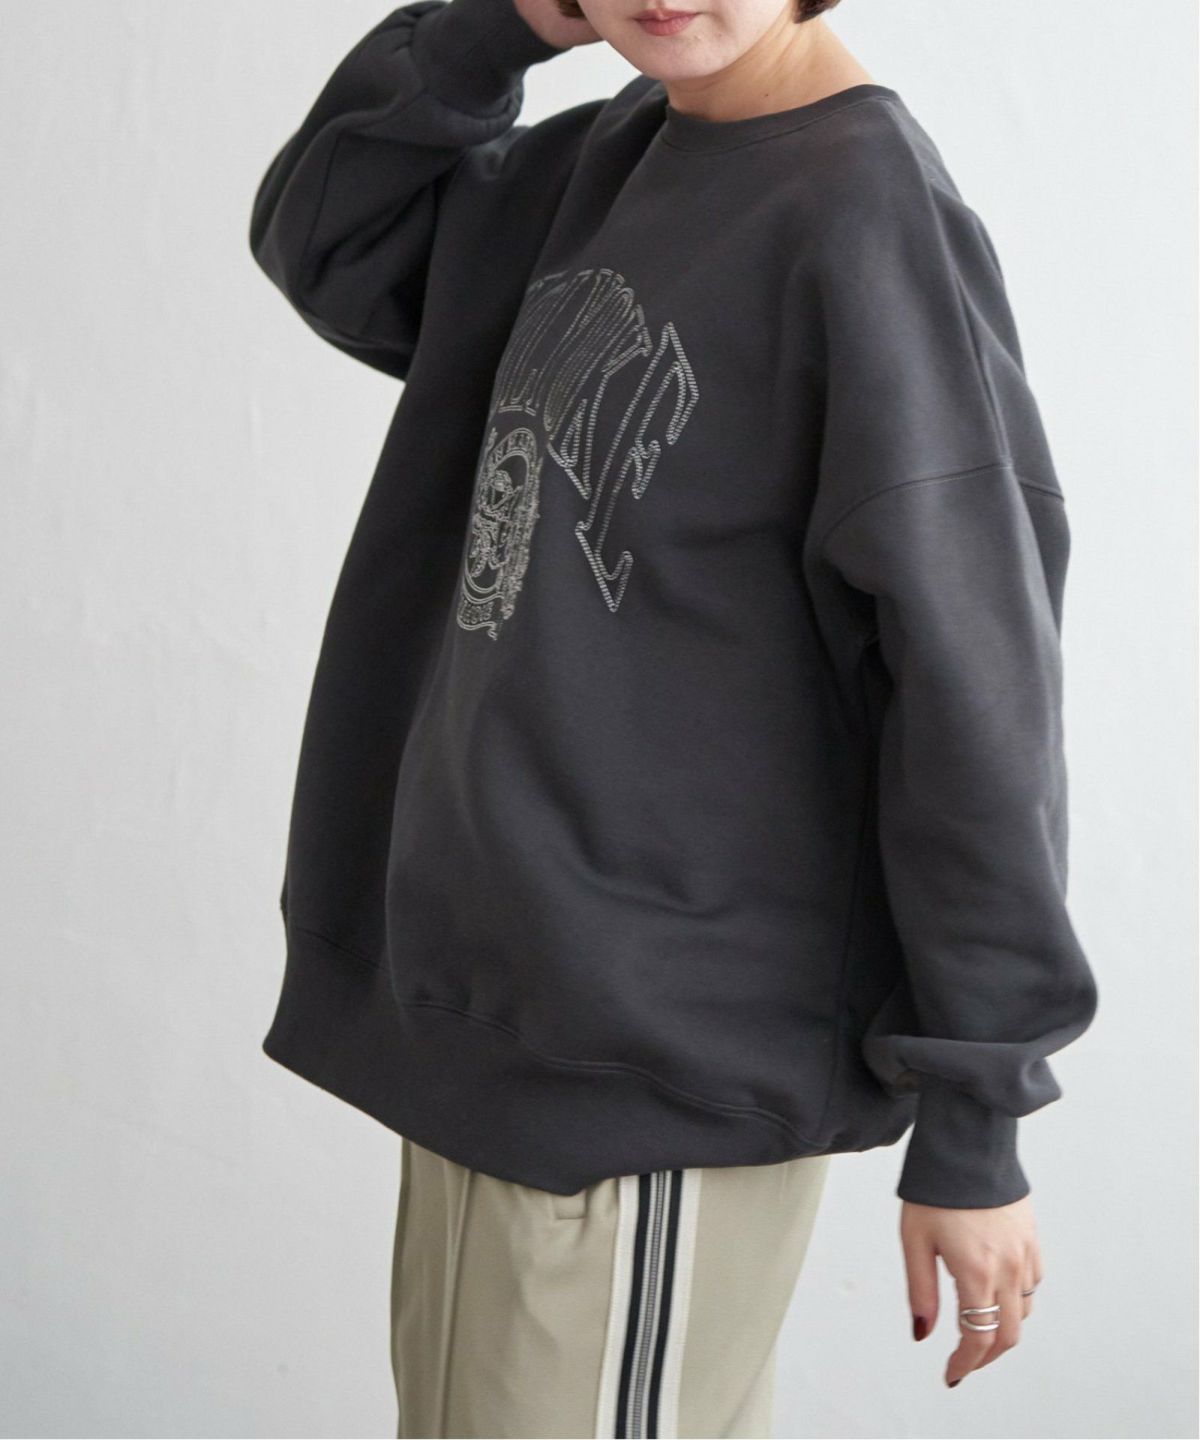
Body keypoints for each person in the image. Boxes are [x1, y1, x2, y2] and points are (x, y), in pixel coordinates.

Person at [248, 0, 1099, 1433]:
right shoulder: (606, 161)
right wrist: (500, 28)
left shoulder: (864, 219)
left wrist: (977, 1117)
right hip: (491, 1034)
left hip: (657, 1075)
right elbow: (330, 235)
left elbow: (974, 697)